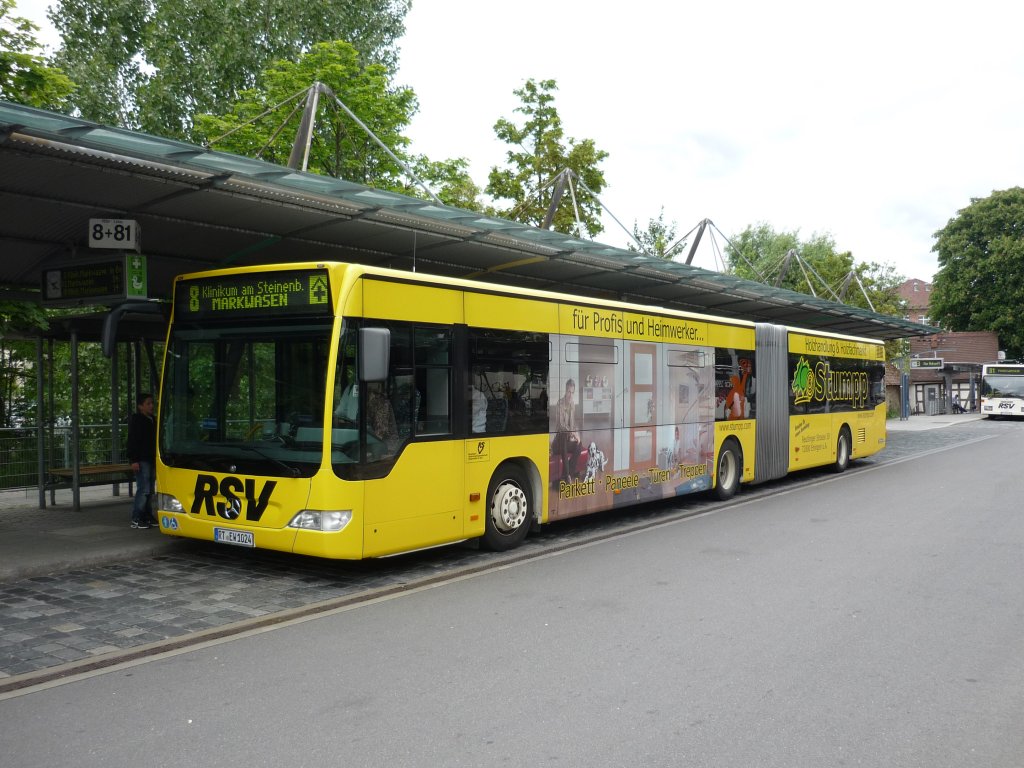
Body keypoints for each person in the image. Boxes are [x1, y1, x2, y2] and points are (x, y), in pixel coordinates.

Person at [126, 392, 157, 529]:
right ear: (140, 407)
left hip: (151, 458)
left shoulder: (153, 419)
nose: (151, 406)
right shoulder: (138, 421)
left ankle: (147, 515)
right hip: (142, 459)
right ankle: (137, 517)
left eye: (152, 403)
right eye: (148, 404)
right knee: (143, 489)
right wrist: (134, 459)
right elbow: (132, 441)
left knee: (150, 489)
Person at [552, 378, 581, 481]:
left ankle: (568, 473)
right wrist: (572, 432)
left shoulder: (572, 405)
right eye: (569, 391)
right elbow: (560, 425)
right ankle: (568, 474)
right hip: (558, 445)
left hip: (566, 442)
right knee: (564, 435)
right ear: (565, 390)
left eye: (572, 392)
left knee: (579, 443)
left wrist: (576, 434)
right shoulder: (559, 404)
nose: (570, 395)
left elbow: (573, 424)